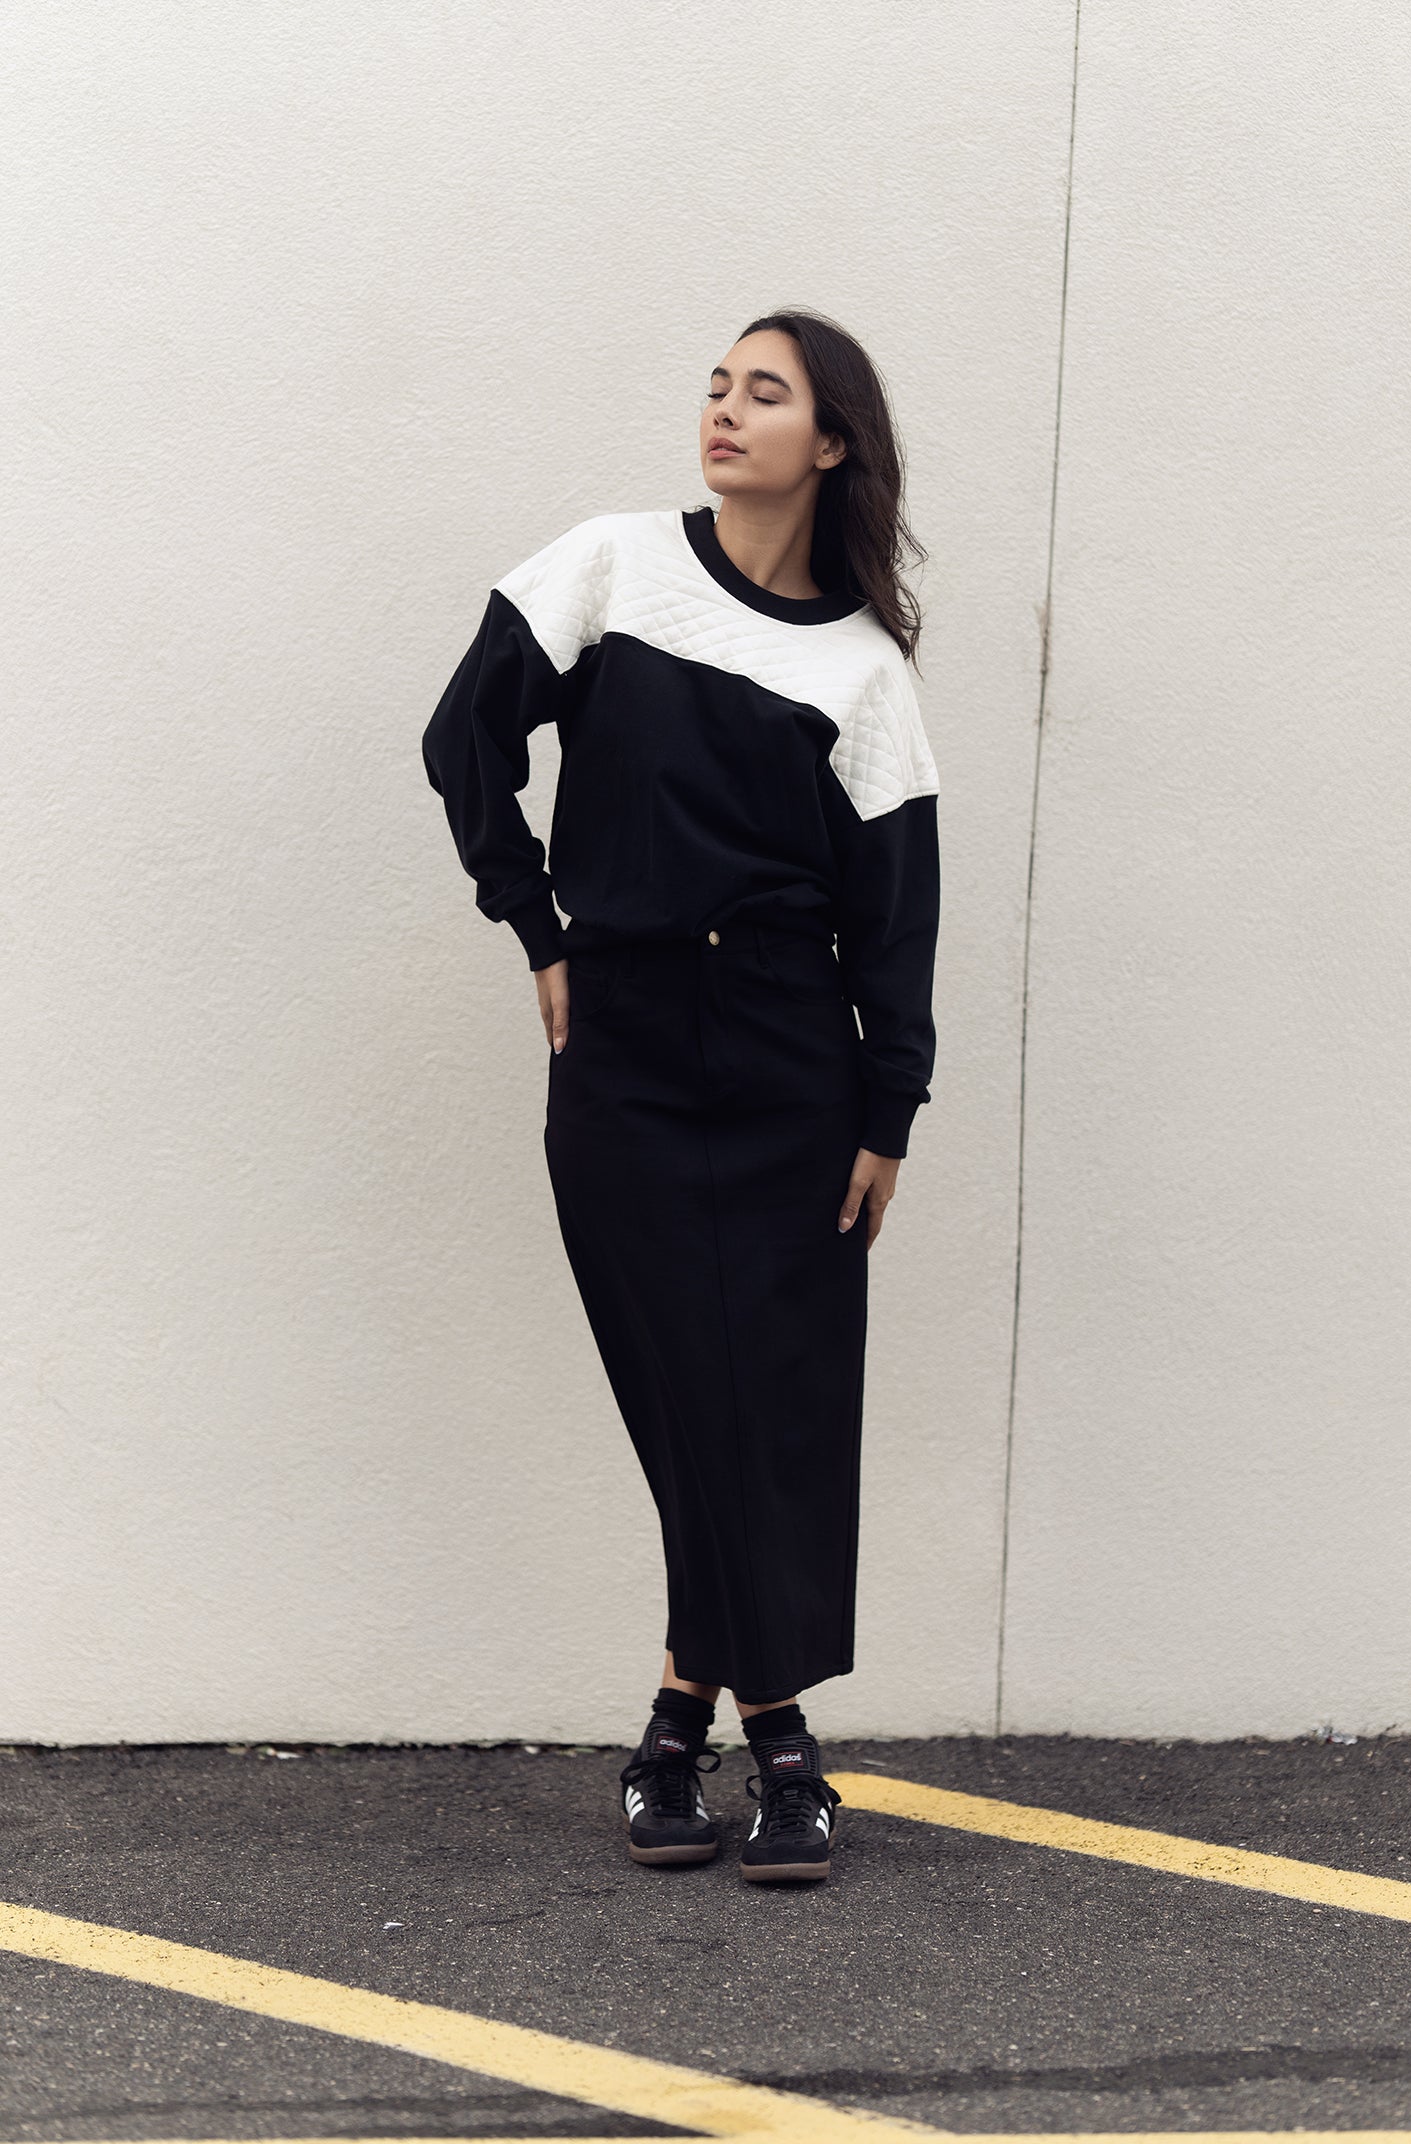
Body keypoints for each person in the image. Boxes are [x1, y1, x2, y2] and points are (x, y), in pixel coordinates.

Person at [421, 308, 940, 1885]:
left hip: (790, 1057)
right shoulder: (612, 567)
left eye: (762, 393)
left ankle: (679, 1733)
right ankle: (774, 1738)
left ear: (829, 442)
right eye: (716, 386)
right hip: (627, 1040)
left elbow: (895, 913)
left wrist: (888, 1110)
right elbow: (462, 738)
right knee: (680, 1388)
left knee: (774, 1401)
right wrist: (535, 925)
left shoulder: (860, 672)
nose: (722, 410)